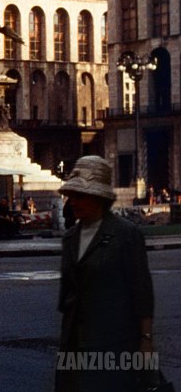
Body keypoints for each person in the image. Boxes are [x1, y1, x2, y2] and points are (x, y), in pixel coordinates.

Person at [56, 156, 154, 392]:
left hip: (115, 344)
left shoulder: (126, 235)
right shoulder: (70, 238)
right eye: (71, 195)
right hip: (74, 344)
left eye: (80, 196)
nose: (72, 202)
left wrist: (146, 341)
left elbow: (142, 293)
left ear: (98, 198)